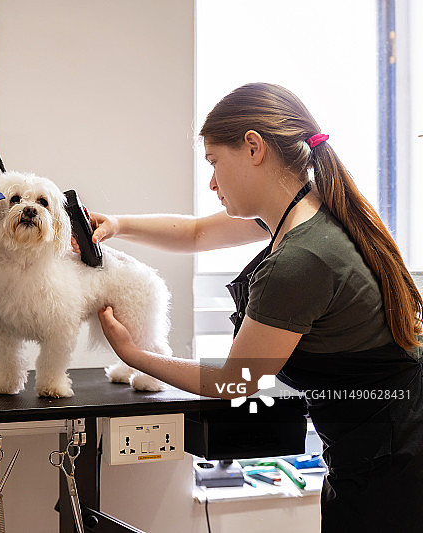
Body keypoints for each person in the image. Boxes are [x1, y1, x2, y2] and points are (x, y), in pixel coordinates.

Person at [88, 83, 423, 532]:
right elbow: (195, 234)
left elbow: (235, 382)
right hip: (380, 445)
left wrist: (135, 356)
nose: (211, 181)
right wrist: (119, 225)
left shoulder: (300, 259)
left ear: (253, 147)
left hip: (396, 464)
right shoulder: (309, 208)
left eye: (213, 162)